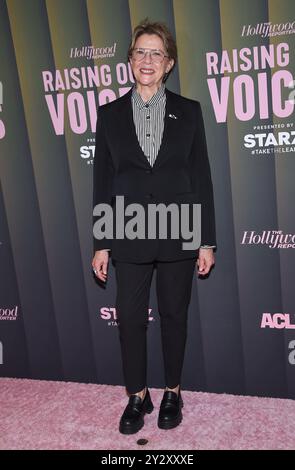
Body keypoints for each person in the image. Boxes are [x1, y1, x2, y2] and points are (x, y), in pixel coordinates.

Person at [92, 19, 216, 435]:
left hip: (180, 227)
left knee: (174, 314)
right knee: (129, 318)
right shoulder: (109, 115)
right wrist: (101, 242)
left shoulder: (190, 111)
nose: (147, 60)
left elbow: (201, 178)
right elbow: (103, 182)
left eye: (156, 53)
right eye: (140, 52)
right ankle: (137, 395)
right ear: (130, 61)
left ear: (169, 64)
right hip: (127, 229)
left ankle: (173, 391)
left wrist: (206, 240)